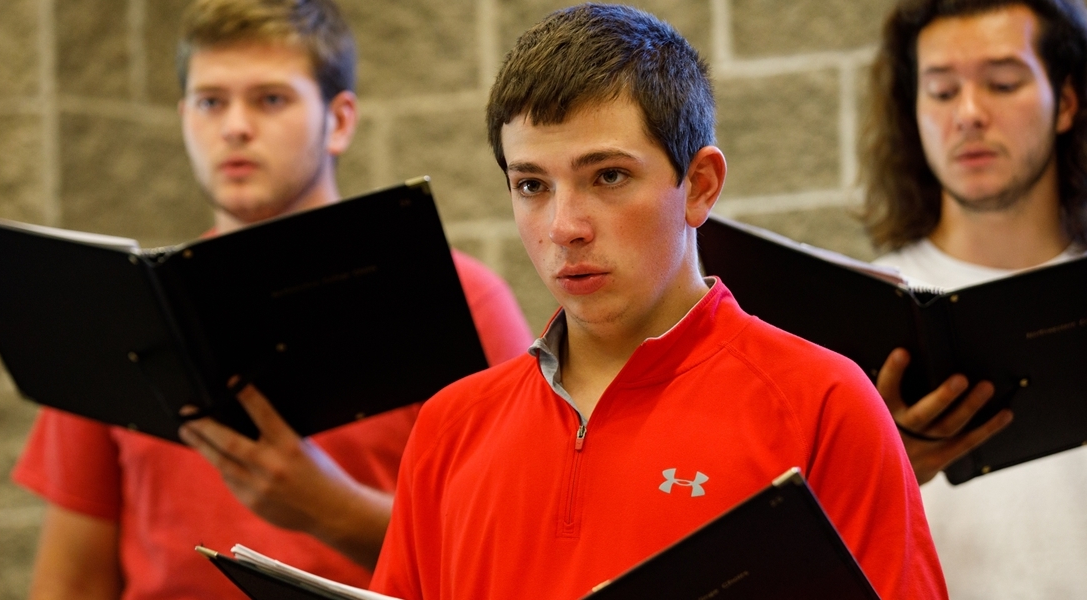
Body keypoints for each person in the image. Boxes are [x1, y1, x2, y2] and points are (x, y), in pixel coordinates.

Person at [369, 5, 947, 599]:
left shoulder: (822, 404)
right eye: (532, 185)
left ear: (699, 186)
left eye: (609, 177)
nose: (564, 226)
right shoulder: (450, 427)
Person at [11, 1, 533, 598]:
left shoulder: (459, 297)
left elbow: (516, 554)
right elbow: (72, 579)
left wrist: (327, 508)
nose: (234, 126)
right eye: (211, 102)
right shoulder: (123, 311)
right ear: (184, 118)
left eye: (270, 99)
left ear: (338, 121)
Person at [861, 0, 1087, 596]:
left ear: (1068, 102)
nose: (970, 114)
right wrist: (878, 471)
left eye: (1003, 83)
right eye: (943, 92)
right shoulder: (861, 313)